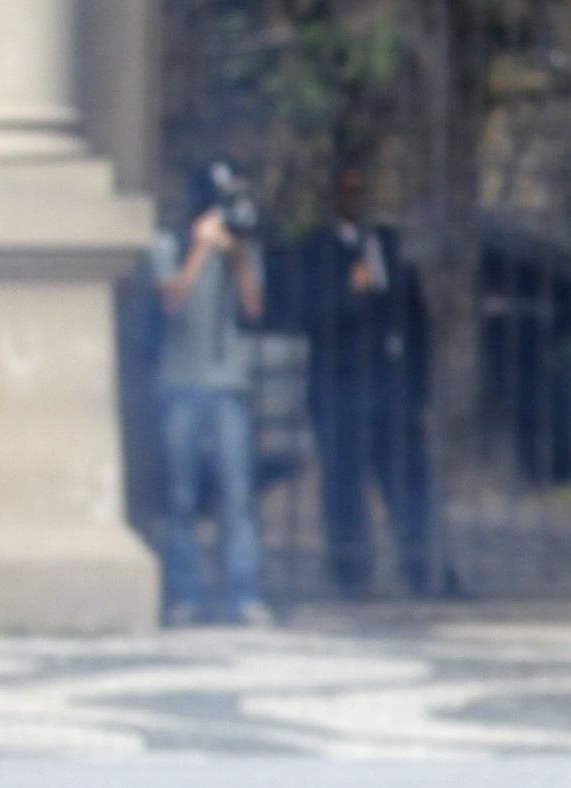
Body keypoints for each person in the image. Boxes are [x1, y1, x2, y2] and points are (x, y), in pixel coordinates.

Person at [286, 166, 438, 597]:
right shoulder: (315, 250)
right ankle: (350, 573)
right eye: (347, 190)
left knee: (409, 479)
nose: (356, 199)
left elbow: (414, 316)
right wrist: (348, 291)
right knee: (344, 483)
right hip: (340, 386)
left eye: (361, 190)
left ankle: (424, 570)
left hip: (391, 387)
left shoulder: (388, 245)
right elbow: (307, 316)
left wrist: (417, 385)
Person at [149, 161, 273, 625]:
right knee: (180, 495)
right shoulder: (169, 243)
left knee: (238, 494)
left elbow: (254, 307)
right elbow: (171, 302)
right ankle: (187, 593)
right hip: (181, 381)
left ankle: (244, 593)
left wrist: (236, 255)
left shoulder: (242, 246)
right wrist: (200, 250)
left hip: (228, 385)